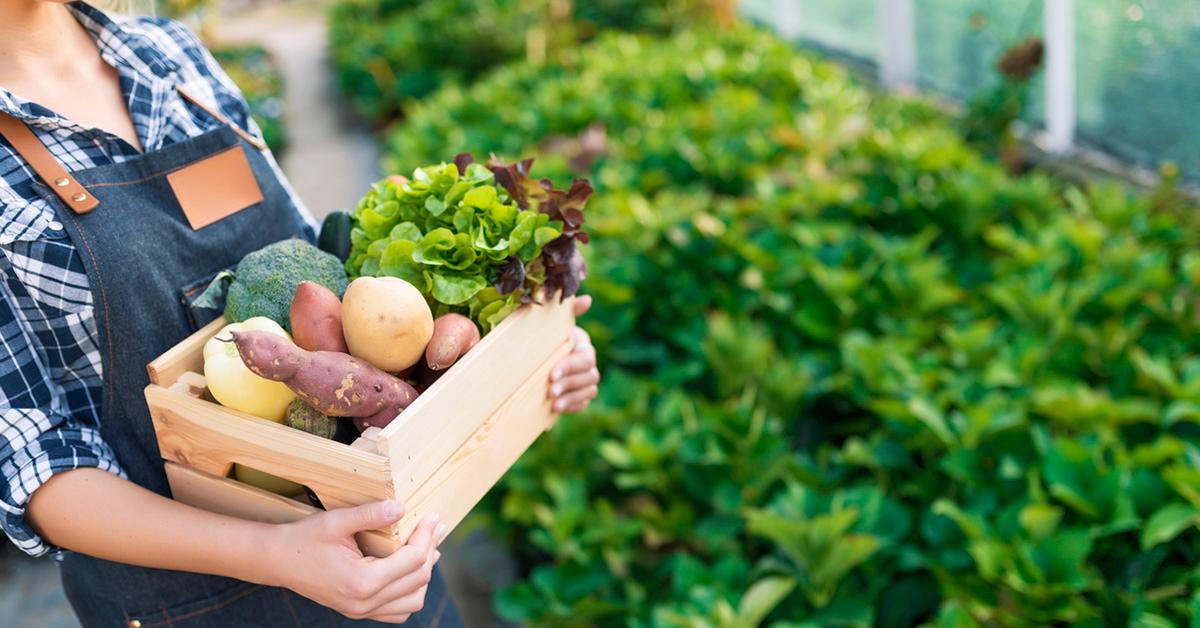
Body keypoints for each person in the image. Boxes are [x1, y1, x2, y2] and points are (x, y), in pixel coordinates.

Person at [0, 0, 602, 625]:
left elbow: (318, 264)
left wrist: (525, 368)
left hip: (381, 571)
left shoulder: (167, 55)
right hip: (186, 601)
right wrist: (276, 552)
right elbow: (35, 466)